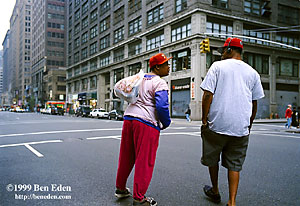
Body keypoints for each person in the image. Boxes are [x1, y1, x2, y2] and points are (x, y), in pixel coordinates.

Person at [200, 37, 265, 206]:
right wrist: (249, 123)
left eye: (223, 50)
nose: (222, 53)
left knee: (212, 158)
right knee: (234, 165)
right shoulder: (253, 72)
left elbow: (207, 95)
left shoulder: (217, 67)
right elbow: (254, 102)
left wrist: (204, 118)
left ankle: (215, 191)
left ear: (229, 50)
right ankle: (232, 201)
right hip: (240, 128)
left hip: (217, 125)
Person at [115, 53, 172, 206]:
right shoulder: (159, 82)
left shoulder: (139, 80)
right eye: (166, 64)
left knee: (126, 156)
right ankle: (139, 198)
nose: (169, 66)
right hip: (146, 122)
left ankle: (120, 189)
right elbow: (161, 106)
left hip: (129, 119)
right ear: (157, 67)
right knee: (145, 160)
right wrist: (165, 123)